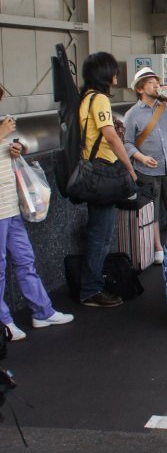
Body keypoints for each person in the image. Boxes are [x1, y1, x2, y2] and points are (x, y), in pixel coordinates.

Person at [0, 88, 73, 340]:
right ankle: (4, 322)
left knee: (24, 258)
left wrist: (14, 148)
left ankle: (42, 311)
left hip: (10, 204)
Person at [79, 52, 138, 306]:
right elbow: (111, 136)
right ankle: (91, 290)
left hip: (92, 172)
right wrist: (130, 167)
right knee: (101, 235)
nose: (117, 75)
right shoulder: (100, 99)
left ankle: (92, 285)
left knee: (99, 232)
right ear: (105, 74)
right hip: (102, 172)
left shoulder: (85, 98)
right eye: (114, 70)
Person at [123, 67, 167, 264]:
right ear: (140, 89)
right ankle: (157, 248)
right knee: (151, 213)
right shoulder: (132, 114)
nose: (157, 86)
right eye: (151, 83)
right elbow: (126, 142)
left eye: (157, 82)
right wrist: (141, 157)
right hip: (147, 170)